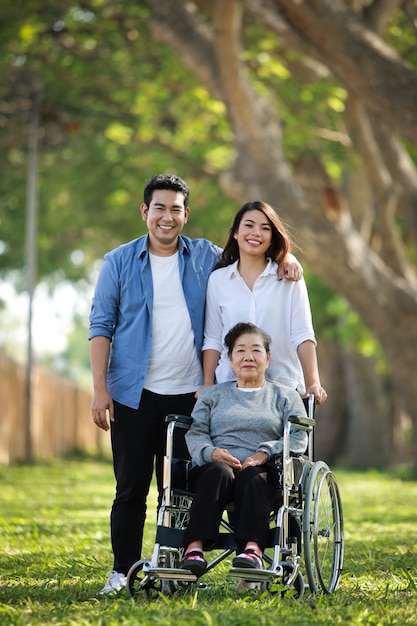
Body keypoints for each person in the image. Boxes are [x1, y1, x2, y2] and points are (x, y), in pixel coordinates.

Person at [88, 174, 302, 594]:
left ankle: (181, 567)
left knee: (184, 490)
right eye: (159, 208)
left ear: (186, 214)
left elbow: (251, 250)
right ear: (145, 211)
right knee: (130, 487)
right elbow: (101, 326)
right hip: (133, 394)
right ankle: (124, 569)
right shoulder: (118, 261)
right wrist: (100, 388)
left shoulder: (205, 257)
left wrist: (287, 261)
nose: (167, 217)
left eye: (176, 209)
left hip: (192, 395)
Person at [180, 322, 308, 578]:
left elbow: (299, 436)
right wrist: (212, 452)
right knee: (219, 472)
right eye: (240, 350)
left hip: (265, 471)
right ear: (229, 359)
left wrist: (265, 453)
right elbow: (195, 433)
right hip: (214, 469)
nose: (248, 356)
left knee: (252, 476)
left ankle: (251, 550)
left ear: (268, 358)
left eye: (256, 350)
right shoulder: (212, 395)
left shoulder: (285, 396)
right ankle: (194, 551)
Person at [201, 200, 327, 404]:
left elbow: (303, 334)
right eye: (249, 225)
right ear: (235, 233)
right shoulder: (218, 280)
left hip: (283, 389)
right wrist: (207, 384)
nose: (256, 233)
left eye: (265, 228)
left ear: (272, 238)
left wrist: (313, 382)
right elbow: (213, 338)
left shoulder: (288, 278)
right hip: (230, 389)